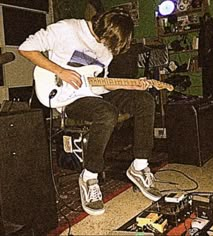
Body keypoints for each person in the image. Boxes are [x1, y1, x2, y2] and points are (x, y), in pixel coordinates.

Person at [18, 8, 162, 216]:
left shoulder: (107, 48)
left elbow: (99, 85)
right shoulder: (67, 29)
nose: (107, 48)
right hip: (68, 97)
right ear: (106, 30)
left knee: (144, 101)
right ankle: (89, 176)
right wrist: (60, 71)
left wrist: (130, 85)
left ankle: (139, 166)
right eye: (109, 42)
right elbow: (26, 48)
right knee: (107, 113)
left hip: (93, 94)